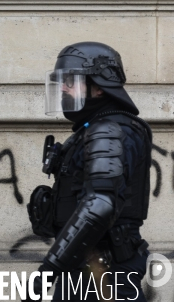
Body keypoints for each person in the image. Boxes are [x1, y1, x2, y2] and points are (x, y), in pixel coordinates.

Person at [27, 42, 152, 301]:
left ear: (98, 88)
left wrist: (47, 272)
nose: (62, 88)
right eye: (61, 82)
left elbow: (99, 205)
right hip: (87, 270)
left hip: (102, 273)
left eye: (70, 82)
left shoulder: (109, 130)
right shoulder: (92, 129)